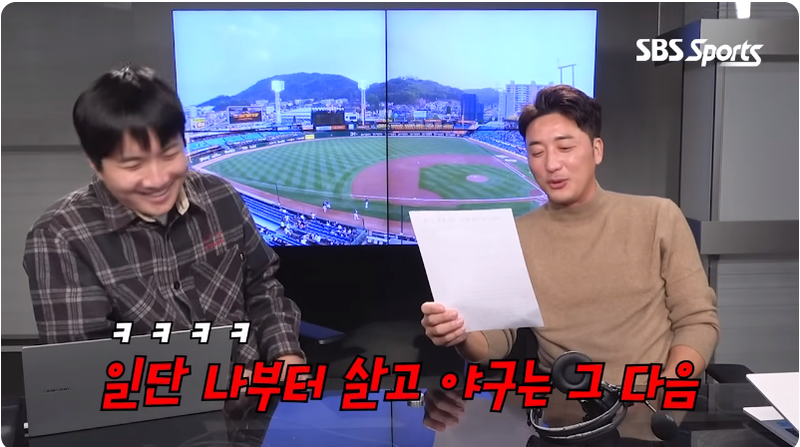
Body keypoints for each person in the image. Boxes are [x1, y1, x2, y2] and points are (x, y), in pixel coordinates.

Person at [420, 85, 719, 385]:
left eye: (565, 148)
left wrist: (666, 388)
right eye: (537, 152)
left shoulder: (659, 217)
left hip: (652, 398)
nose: (551, 164)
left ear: (597, 150)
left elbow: (698, 322)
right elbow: (496, 341)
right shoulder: (516, 236)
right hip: (560, 403)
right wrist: (460, 334)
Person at [23, 66, 305, 378]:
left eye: (169, 155)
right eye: (133, 165)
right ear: (95, 163)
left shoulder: (220, 196)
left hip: (260, 394)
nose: (157, 180)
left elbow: (261, 286)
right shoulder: (59, 237)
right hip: (161, 406)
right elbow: (86, 370)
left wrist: (286, 356)